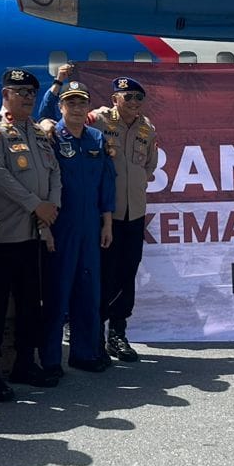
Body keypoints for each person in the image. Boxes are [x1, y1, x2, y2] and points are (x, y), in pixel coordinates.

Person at [0, 68, 61, 397]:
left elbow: (54, 172)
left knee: (29, 304)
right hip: (1, 235)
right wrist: (36, 205)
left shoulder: (37, 132)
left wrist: (51, 207)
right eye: (20, 91)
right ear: (5, 94)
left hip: (33, 234)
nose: (27, 98)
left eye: (31, 93)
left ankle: (25, 363)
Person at [44, 80, 116, 374]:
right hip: (61, 225)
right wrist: (45, 227)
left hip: (90, 226)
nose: (76, 108)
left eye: (81, 103)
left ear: (88, 107)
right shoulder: (51, 137)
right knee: (57, 291)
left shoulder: (96, 138)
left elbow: (107, 182)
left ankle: (84, 353)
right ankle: (50, 359)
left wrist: (107, 223)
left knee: (89, 290)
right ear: (61, 107)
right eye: (70, 103)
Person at [89, 74, 160, 362]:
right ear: (114, 99)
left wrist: (136, 183)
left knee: (128, 271)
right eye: (127, 97)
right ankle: (93, 331)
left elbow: (150, 165)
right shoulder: (100, 121)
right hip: (105, 213)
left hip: (135, 213)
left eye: (138, 98)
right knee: (103, 271)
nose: (133, 102)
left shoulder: (147, 128)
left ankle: (118, 333)